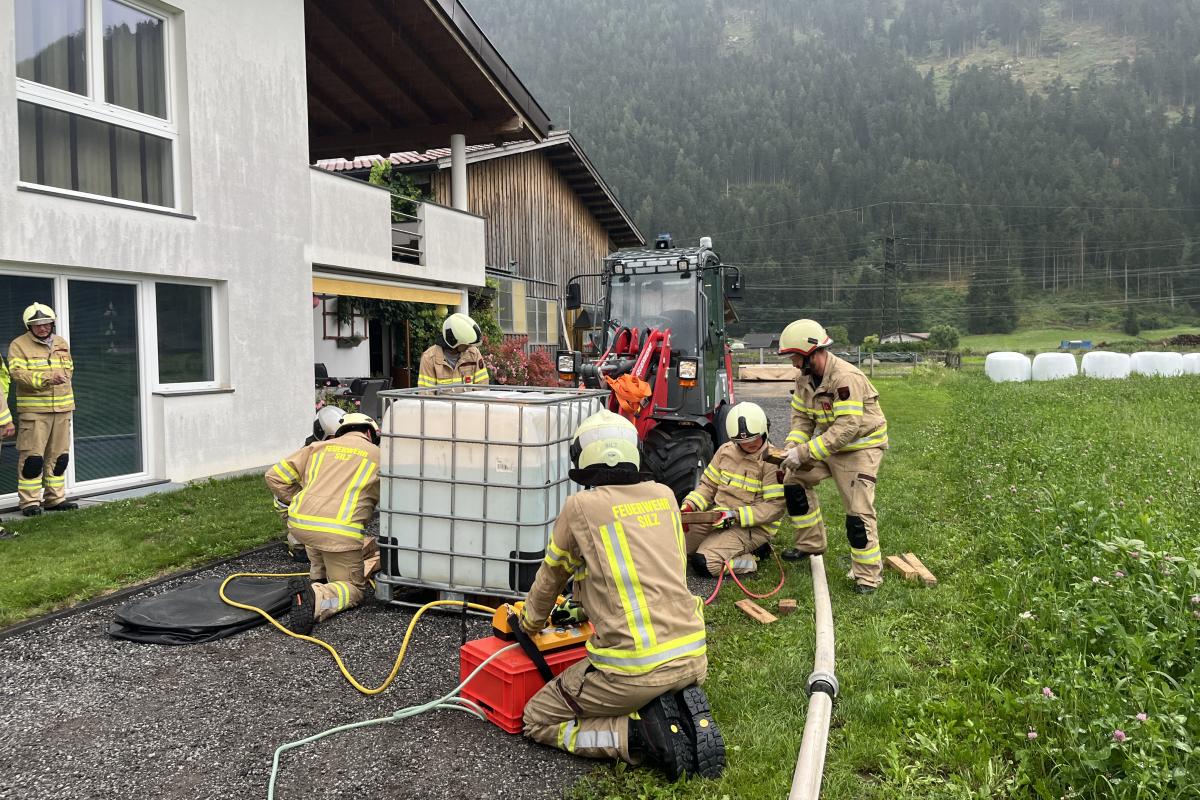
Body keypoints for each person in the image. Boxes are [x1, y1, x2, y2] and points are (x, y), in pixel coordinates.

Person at [519, 410, 724, 780]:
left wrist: (529, 623)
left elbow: (551, 578)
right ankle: (666, 704)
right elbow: (643, 576)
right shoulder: (664, 496)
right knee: (650, 682)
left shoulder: (580, 507)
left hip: (633, 670)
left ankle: (635, 735)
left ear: (582, 458)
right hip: (693, 657)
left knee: (537, 718)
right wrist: (584, 607)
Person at [777, 319, 889, 594]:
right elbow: (802, 419)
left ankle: (868, 576)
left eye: (794, 357)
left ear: (810, 353)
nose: (793, 363)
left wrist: (805, 452)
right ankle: (810, 544)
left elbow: (848, 427)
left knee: (858, 511)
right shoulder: (804, 379)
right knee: (794, 479)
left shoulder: (846, 378)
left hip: (859, 448)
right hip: (830, 445)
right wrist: (792, 447)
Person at [264, 412, 381, 634]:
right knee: (354, 589)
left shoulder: (316, 448)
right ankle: (319, 598)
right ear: (369, 433)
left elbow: (274, 476)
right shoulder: (379, 455)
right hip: (339, 533)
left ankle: (317, 578)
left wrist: (298, 501)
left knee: (317, 542)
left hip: (302, 525)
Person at [680, 402, 785, 577]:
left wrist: (735, 516)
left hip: (752, 528)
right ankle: (718, 544)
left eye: (755, 438)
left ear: (765, 431)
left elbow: (774, 508)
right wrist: (690, 505)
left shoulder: (772, 462)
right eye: (743, 442)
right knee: (676, 548)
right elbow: (708, 486)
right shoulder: (725, 452)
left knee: (705, 563)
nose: (750, 444)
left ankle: (752, 558)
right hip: (718, 518)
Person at [9, 303, 77, 516]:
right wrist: (48, 378)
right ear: (28, 326)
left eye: (46, 324)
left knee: (59, 457)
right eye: (37, 325)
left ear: (52, 323)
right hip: (35, 412)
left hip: (62, 409)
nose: (42, 328)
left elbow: (69, 369)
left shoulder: (61, 342)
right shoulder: (18, 345)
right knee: (32, 459)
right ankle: (30, 502)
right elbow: (18, 374)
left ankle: (55, 499)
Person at [416, 312, 489, 388]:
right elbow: (426, 393)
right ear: (453, 341)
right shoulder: (429, 358)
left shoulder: (473, 353)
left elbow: (482, 387)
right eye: (466, 343)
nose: (470, 346)